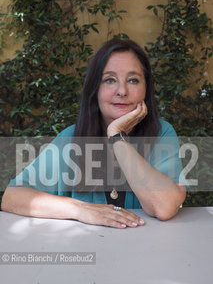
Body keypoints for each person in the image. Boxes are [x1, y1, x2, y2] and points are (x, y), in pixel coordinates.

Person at [1, 39, 186, 228]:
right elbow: (11, 197)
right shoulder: (70, 139)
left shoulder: (162, 133)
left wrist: (117, 136)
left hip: (148, 251)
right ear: (94, 88)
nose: (122, 91)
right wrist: (80, 209)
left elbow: (164, 207)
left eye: (133, 80)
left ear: (146, 89)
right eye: (109, 80)